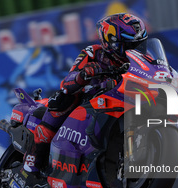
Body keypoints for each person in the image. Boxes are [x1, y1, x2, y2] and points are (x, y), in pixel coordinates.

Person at [22, 13, 148, 176]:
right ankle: (32, 164)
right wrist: (84, 75)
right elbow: (67, 83)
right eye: (130, 46)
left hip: (118, 104)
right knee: (63, 98)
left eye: (140, 45)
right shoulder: (93, 53)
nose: (136, 51)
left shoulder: (141, 63)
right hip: (88, 104)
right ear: (112, 43)